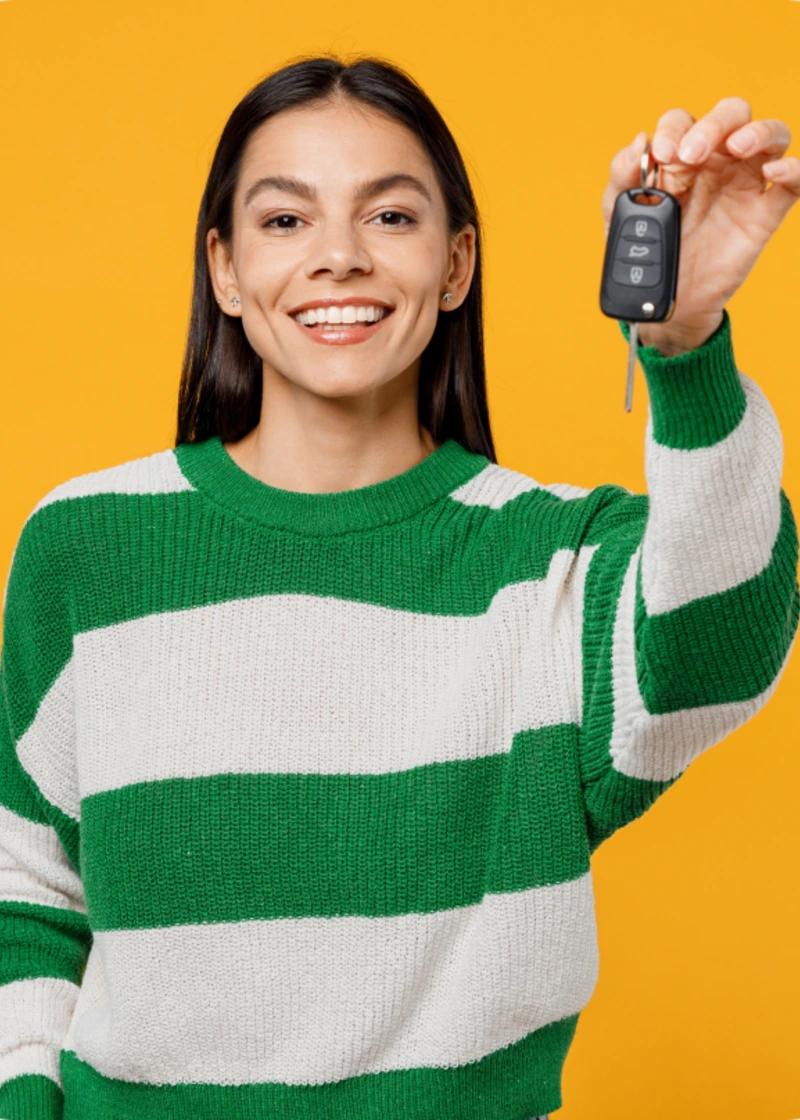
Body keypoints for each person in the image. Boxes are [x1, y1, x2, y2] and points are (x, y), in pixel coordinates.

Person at [0, 54, 798, 1120]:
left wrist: (682, 344)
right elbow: (28, 888)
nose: (337, 258)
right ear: (225, 269)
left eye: (389, 217)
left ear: (455, 262)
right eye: (284, 222)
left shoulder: (549, 562)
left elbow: (721, 636)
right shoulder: (85, 548)